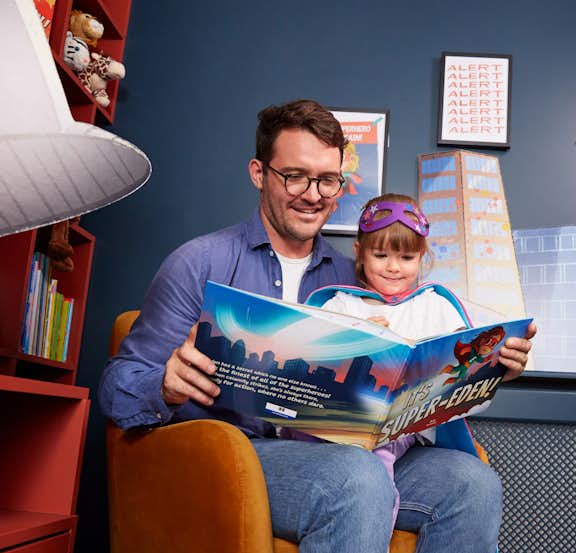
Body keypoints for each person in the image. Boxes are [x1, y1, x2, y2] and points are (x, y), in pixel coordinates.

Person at [99, 98, 537, 553]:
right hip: (235, 453)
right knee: (355, 477)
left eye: (327, 180)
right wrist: (166, 384)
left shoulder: (353, 279)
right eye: (295, 176)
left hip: (348, 450)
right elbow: (116, 388)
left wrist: (488, 367)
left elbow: (412, 367)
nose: (313, 194)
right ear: (258, 173)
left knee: (472, 484)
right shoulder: (200, 262)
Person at [305, 193, 514, 533]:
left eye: (406, 256)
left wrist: (492, 366)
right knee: (368, 473)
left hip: (408, 432)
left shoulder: (437, 307)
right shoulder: (341, 304)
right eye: (380, 255)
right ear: (359, 253)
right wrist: (358, 340)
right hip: (344, 432)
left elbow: (467, 389)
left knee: (390, 466)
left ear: (422, 256)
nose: (393, 267)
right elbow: (314, 365)